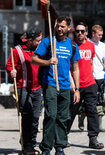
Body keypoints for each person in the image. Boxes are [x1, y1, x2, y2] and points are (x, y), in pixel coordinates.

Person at [31, 16, 81, 155]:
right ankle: (46, 148)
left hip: (65, 86)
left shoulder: (72, 45)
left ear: (68, 28)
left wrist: (77, 89)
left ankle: (60, 146)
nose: (59, 28)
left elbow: (76, 68)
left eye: (63, 26)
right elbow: (33, 59)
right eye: (58, 26)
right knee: (51, 115)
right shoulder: (48, 42)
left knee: (63, 117)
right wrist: (48, 62)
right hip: (50, 84)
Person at [66, 22, 105, 149]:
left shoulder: (91, 46)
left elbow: (91, 62)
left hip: (90, 84)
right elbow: (67, 67)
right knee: (71, 112)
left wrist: (91, 76)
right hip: (75, 86)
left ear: (87, 33)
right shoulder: (70, 46)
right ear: (74, 33)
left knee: (92, 111)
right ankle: (63, 136)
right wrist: (72, 83)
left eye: (82, 31)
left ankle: (93, 138)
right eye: (77, 31)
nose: (80, 33)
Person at [6, 27, 43, 155]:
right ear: (30, 41)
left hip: (38, 88)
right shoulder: (17, 51)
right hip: (23, 88)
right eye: (37, 40)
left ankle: (31, 142)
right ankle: (28, 144)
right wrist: (12, 72)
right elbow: (9, 66)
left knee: (36, 117)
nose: (39, 42)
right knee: (27, 116)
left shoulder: (40, 50)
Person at [89, 24, 105, 132]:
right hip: (89, 77)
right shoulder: (88, 44)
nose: (100, 37)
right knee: (89, 101)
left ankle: (98, 125)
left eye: (101, 35)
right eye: (99, 35)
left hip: (100, 77)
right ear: (93, 34)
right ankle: (82, 118)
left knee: (100, 100)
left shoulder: (103, 46)